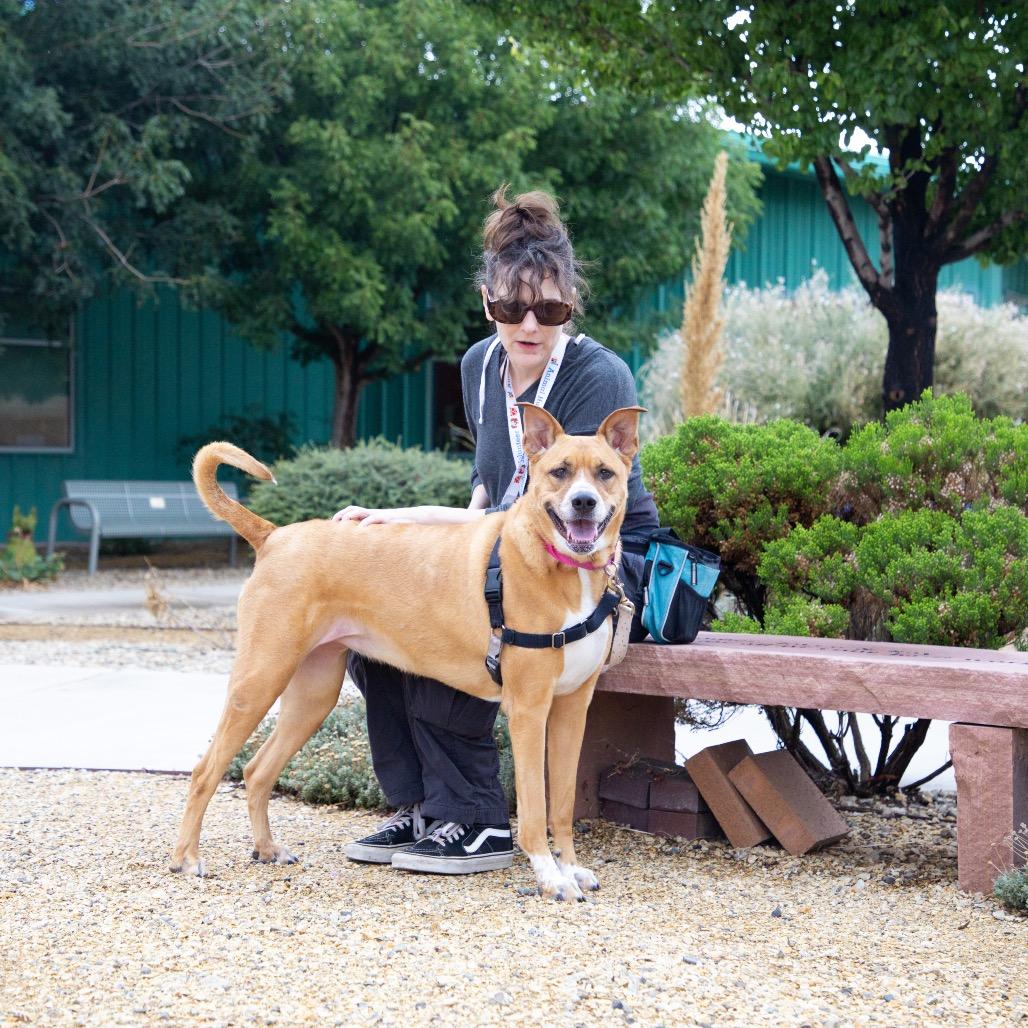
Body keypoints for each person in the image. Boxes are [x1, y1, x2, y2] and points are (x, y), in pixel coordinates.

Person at [334, 186, 659, 874]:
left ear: (572, 304)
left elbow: (576, 504)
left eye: (550, 309)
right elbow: (493, 493)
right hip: (520, 547)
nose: (530, 325)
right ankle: (423, 804)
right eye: (513, 308)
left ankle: (477, 816)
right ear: (488, 302)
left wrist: (441, 539)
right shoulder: (479, 365)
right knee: (378, 625)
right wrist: (401, 523)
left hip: (601, 558)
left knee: (456, 623)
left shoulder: (598, 375)